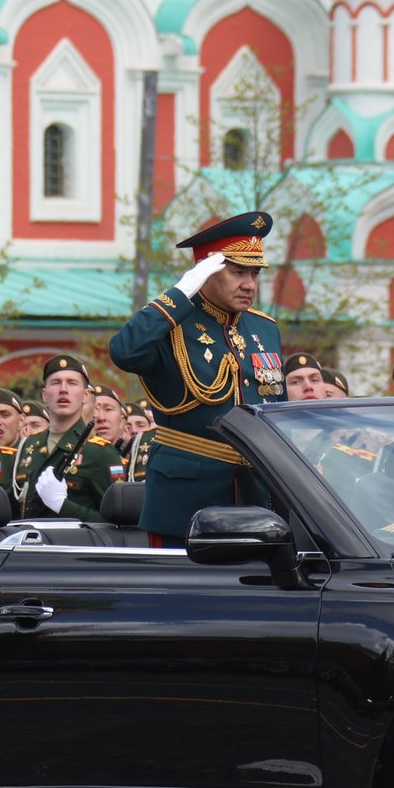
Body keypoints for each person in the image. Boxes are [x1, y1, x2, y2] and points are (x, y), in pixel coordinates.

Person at [108, 211, 285, 544]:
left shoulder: (264, 328)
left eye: (254, 273)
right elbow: (124, 351)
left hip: (255, 498)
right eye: (237, 272)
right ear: (206, 273)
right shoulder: (172, 324)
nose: (249, 283)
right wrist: (180, 292)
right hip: (186, 503)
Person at [10, 356, 124, 521]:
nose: (63, 390)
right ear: (44, 395)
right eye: (56, 383)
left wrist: (61, 506)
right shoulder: (28, 445)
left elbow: (116, 523)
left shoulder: (100, 452)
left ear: (86, 395)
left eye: (72, 383)